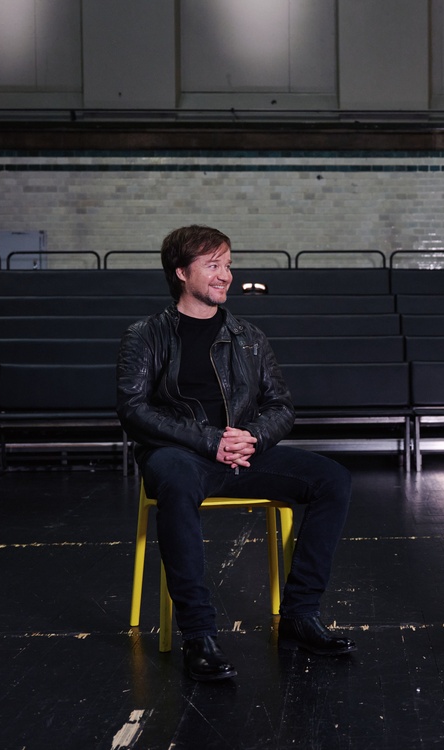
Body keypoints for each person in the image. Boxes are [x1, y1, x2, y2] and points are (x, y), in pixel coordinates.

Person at [117, 225, 355, 682]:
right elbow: (133, 409)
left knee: (333, 479)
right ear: (182, 272)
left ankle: (300, 617)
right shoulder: (145, 335)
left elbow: (281, 406)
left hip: (245, 453)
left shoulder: (249, 336)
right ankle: (199, 635)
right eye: (213, 265)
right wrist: (210, 441)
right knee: (175, 477)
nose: (226, 274)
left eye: (227, 264)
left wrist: (254, 438)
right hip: (181, 456)